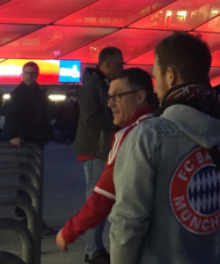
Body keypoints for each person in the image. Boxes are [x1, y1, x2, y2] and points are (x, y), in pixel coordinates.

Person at [109, 32, 220, 264]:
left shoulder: (148, 137)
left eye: (156, 78)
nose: (155, 89)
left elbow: (127, 224)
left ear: (170, 75)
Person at [58, 68, 158, 252]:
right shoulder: (165, 126)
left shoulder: (129, 135)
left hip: (142, 241)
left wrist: (69, 230)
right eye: (109, 97)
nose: (110, 104)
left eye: (117, 96)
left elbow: (104, 196)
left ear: (140, 96)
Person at [75, 47, 124, 264]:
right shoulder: (92, 86)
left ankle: (95, 248)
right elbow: (91, 120)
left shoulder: (99, 84)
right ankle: (93, 250)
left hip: (100, 149)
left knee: (100, 199)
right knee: (97, 200)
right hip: (95, 149)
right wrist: (118, 120)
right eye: (120, 63)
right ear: (109, 63)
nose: (122, 68)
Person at [5, 62, 50, 147]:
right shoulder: (17, 93)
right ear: (22, 74)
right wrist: (15, 135)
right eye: (26, 73)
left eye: (32, 73)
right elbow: (11, 115)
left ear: (37, 75)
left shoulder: (40, 93)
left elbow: (44, 113)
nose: (29, 76)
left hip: (37, 137)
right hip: (22, 139)